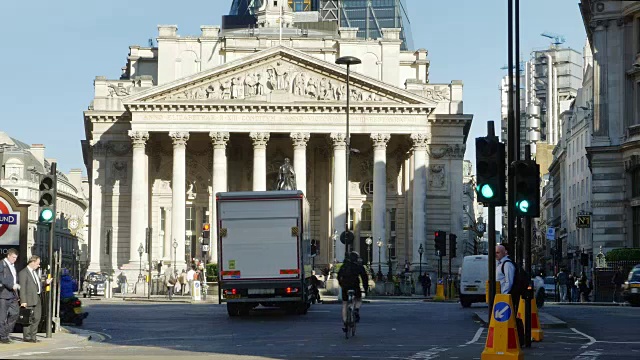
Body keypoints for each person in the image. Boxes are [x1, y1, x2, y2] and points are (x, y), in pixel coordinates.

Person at [18, 255, 52, 343]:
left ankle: (33, 336)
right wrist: (23, 301)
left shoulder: (35, 272)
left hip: (37, 298)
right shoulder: (23, 273)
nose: (39, 265)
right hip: (28, 299)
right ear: (32, 262)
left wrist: (45, 283)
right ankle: (27, 337)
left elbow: (37, 285)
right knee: (28, 318)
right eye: (37, 263)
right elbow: (22, 288)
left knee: (37, 318)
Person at [337, 251, 369, 333]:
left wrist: (341, 284)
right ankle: (356, 310)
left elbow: (338, 276)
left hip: (345, 286)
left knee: (344, 304)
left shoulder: (344, 266)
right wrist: (365, 288)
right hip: (355, 286)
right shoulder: (359, 266)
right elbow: (364, 277)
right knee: (358, 299)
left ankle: (345, 322)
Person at [0, 248, 20, 344]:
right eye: (13, 257)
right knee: (2, 317)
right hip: (3, 294)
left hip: (12, 294)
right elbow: (1, 278)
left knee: (15, 313)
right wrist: (11, 285)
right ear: (8, 255)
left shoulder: (12, 265)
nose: (14, 259)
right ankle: (3, 337)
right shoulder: (2, 264)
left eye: (16, 258)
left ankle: (5, 333)